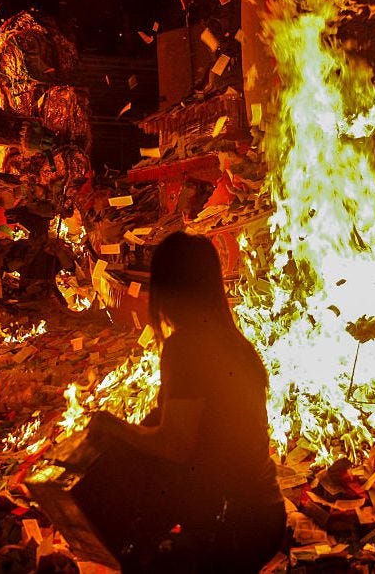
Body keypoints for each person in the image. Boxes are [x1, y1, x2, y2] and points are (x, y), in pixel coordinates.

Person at [79, 231, 285, 573]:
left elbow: (175, 444)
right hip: (264, 514)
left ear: (167, 289)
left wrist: (112, 427)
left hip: (231, 524)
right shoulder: (234, 343)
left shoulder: (187, 347)